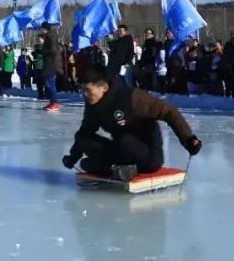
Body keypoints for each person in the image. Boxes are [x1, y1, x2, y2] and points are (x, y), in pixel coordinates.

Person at [61, 66, 202, 181]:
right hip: (122, 152)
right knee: (83, 140)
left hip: (147, 155)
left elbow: (169, 111)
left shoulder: (131, 97)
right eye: (82, 90)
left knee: (125, 140)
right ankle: (119, 169)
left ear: (103, 88)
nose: (84, 95)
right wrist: (73, 156)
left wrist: (188, 139)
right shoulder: (93, 105)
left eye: (87, 90)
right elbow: (86, 131)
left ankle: (119, 168)